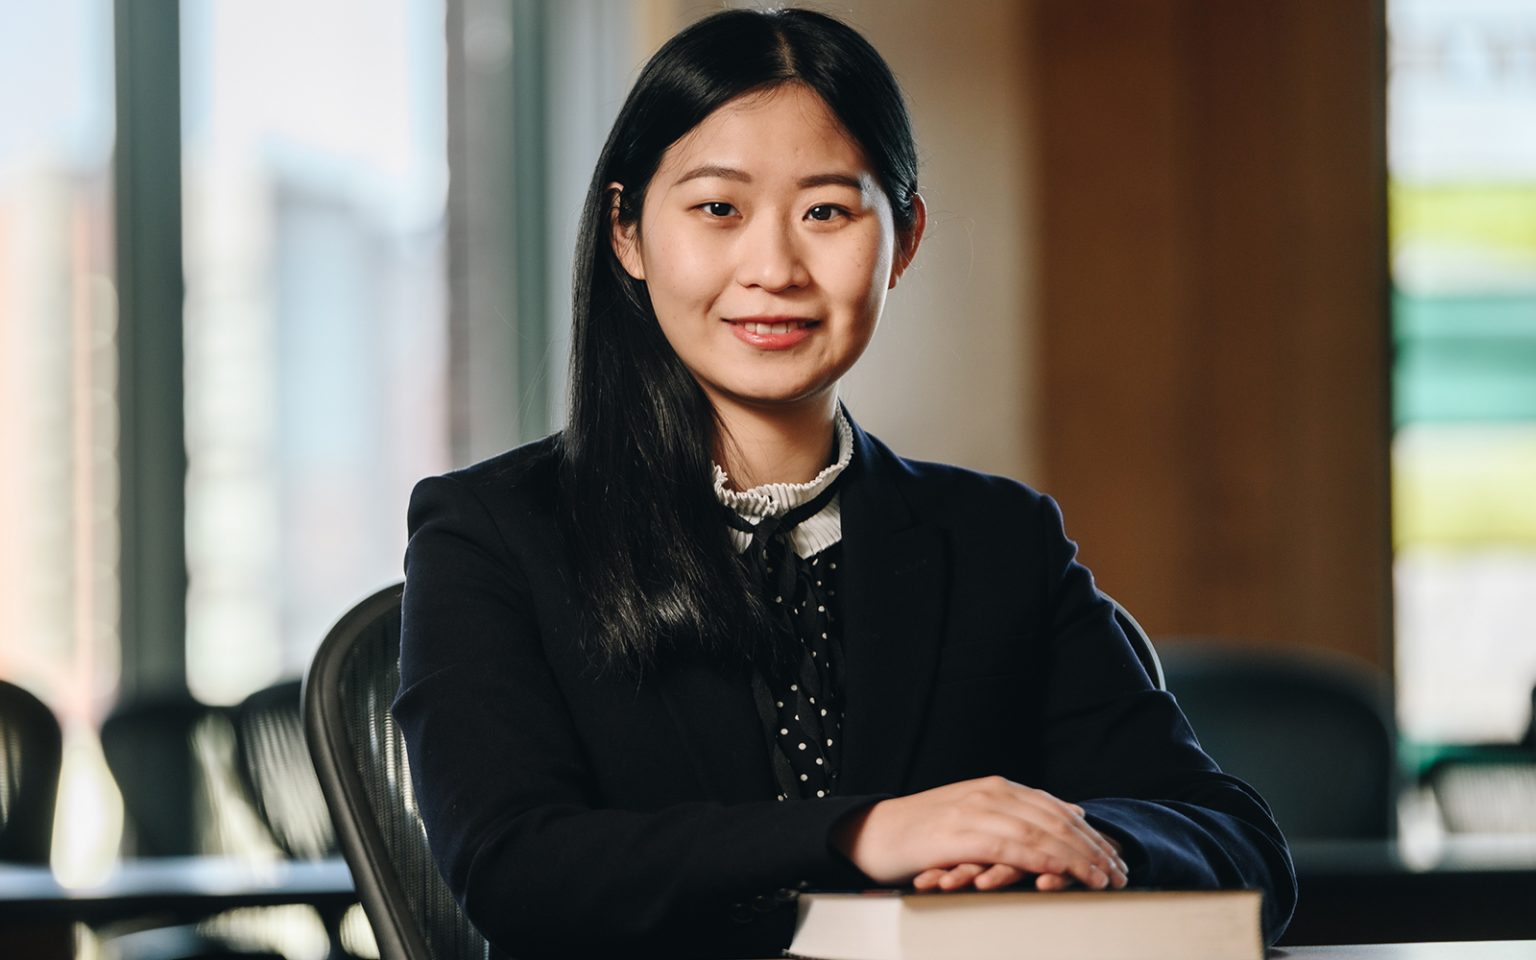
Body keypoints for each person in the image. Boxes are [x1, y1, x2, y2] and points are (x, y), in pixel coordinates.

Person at [393, 8, 1296, 959]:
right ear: (627, 234)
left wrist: (1071, 846)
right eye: (718, 209)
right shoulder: (490, 532)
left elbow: (1239, 846)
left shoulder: (997, 540)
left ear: (903, 238)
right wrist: (869, 831)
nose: (775, 268)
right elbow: (514, 870)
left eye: (827, 210)